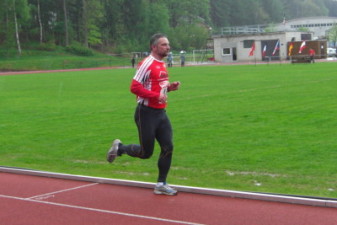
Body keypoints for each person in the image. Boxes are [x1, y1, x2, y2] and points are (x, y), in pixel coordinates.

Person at [107, 33, 181, 196]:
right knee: (146, 153)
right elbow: (134, 87)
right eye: (163, 45)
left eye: (168, 44)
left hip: (161, 112)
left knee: (168, 147)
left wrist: (169, 88)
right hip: (146, 113)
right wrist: (156, 96)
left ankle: (161, 184)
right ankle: (120, 148)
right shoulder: (147, 63)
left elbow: (156, 87)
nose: (167, 47)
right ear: (153, 47)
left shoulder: (162, 64)